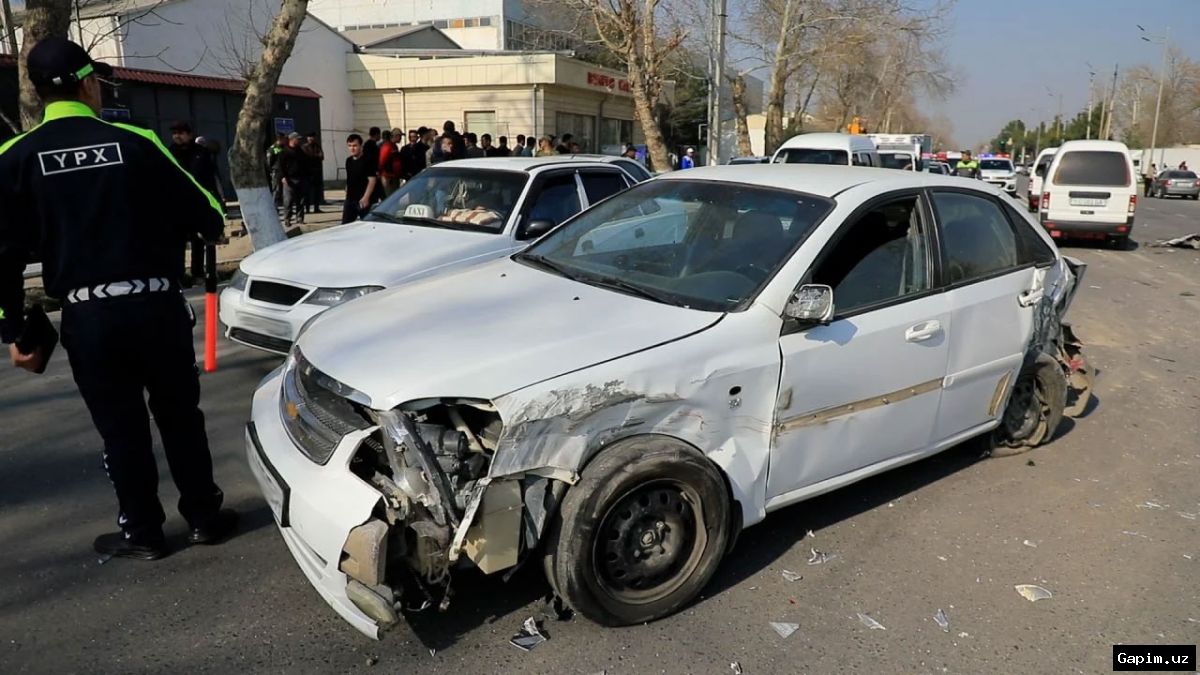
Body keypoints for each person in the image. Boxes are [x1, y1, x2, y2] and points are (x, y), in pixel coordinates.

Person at [0, 37, 237, 561]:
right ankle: (203, 517)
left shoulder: (13, 157)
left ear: (36, 93)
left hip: (89, 317)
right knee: (180, 416)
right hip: (155, 307)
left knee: (120, 428)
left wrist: (14, 329)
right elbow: (209, 215)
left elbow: (2, 257)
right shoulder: (135, 141)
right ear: (87, 83)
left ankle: (143, 533)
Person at [168, 121, 220, 281]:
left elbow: (210, 179)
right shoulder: (168, 152)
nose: (177, 135)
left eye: (181, 132)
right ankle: (179, 274)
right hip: (176, 206)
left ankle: (197, 272)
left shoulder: (201, 153)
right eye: (175, 132)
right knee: (178, 243)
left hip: (198, 205)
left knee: (199, 242)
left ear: (190, 135)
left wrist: (215, 203)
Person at [342, 134, 378, 224]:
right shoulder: (348, 161)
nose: (352, 148)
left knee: (366, 225)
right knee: (345, 225)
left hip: (363, 199)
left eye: (355, 146)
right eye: (350, 146)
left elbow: (372, 180)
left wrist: (366, 197)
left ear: (360, 146)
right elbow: (349, 177)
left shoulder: (368, 160)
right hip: (350, 198)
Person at [279, 131, 307, 227]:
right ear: (292, 139)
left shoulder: (300, 151)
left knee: (300, 200)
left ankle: (300, 218)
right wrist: (283, 177)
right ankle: (287, 219)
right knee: (288, 200)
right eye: (297, 139)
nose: (299, 140)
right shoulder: (285, 151)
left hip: (300, 178)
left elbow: (305, 163)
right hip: (289, 179)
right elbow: (281, 166)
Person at [301, 131, 324, 213]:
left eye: (312, 137)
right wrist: (314, 157)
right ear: (307, 138)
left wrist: (313, 157)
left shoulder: (317, 146)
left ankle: (316, 208)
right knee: (307, 193)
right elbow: (305, 158)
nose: (311, 138)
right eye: (309, 137)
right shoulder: (304, 147)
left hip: (316, 173)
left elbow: (321, 156)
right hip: (307, 173)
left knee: (317, 192)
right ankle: (307, 209)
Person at [377, 129, 402, 196]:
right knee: (390, 197)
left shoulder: (394, 146)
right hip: (388, 177)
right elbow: (382, 160)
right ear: (396, 136)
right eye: (400, 136)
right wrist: (381, 174)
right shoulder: (387, 146)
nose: (401, 138)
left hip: (394, 177)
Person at [266, 132, 286, 206]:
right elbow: (269, 162)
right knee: (276, 190)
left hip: (284, 172)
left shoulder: (284, 147)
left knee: (285, 191)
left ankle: (286, 208)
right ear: (279, 139)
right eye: (283, 139)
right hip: (276, 172)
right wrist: (272, 171)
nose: (285, 140)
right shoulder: (272, 148)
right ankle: (274, 207)